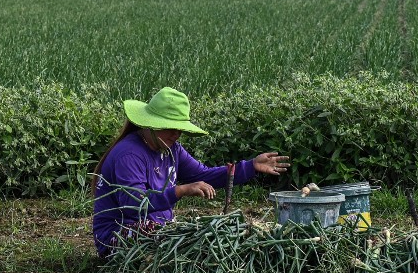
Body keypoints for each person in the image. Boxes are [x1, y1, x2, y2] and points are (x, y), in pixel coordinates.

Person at [92, 87, 290, 257]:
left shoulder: (171, 149)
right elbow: (134, 204)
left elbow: (203, 175)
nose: (176, 134)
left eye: (180, 129)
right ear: (152, 124)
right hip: (118, 238)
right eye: (170, 127)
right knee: (185, 243)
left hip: (156, 230)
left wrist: (250, 166)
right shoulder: (129, 155)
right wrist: (180, 191)